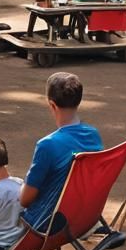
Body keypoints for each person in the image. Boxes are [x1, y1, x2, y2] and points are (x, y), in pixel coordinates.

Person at [20, 72, 103, 232]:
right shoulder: (93, 135)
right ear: (79, 101)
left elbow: (25, 200)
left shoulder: (47, 145)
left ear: (52, 105)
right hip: (83, 214)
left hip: (48, 222)